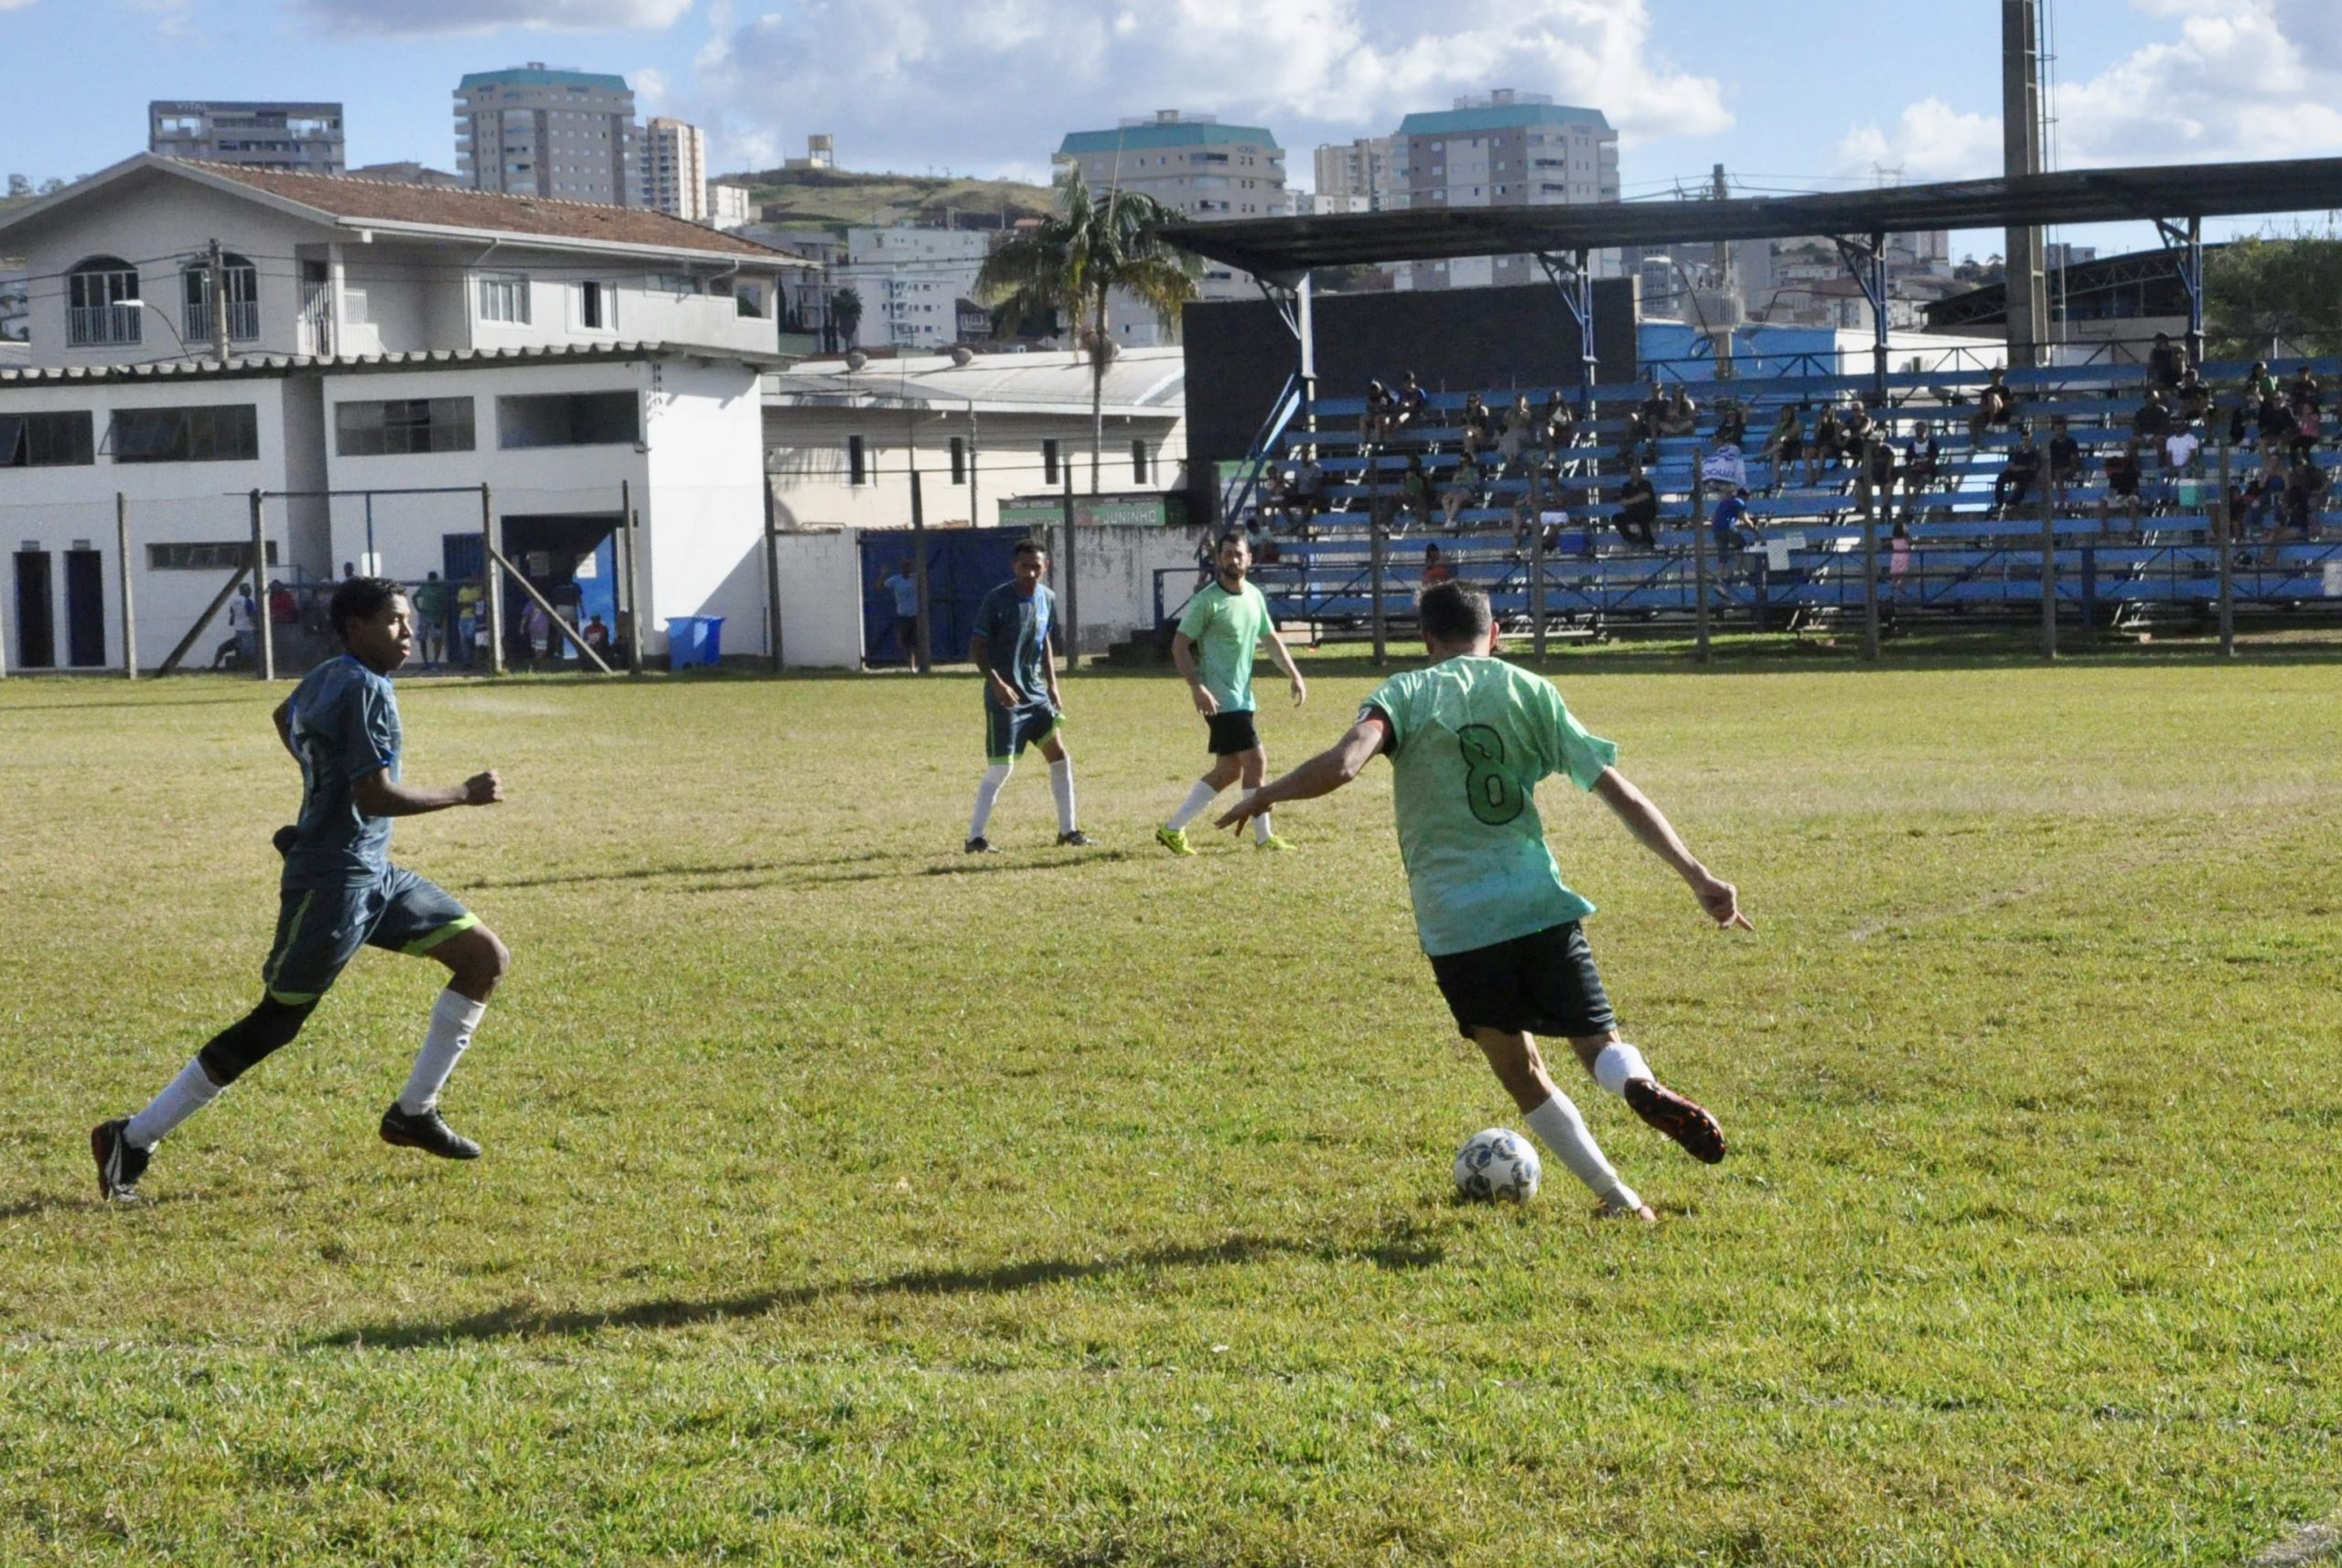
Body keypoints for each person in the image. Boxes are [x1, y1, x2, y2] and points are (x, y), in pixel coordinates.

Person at [1214, 581, 1746, 1221]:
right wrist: (1697, 874)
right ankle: (1634, 1081)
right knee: (1597, 1044)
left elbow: (1346, 764)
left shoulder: (1404, 693)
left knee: (1521, 1071)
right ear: (1495, 635)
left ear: (1427, 640)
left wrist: (1266, 794)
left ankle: (1621, 1199)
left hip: (1458, 921)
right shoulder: (1532, 691)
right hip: (1538, 904)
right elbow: (1620, 793)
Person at [91, 578, 510, 1203]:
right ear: (355, 628)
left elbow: (284, 718)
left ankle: (413, 1113)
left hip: (373, 873)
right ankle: (132, 1137)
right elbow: (374, 795)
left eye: (407, 620)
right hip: (334, 881)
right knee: (276, 1022)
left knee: (483, 957)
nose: (408, 631)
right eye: (393, 621)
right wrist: (463, 793)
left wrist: (321, 788)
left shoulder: (329, 675)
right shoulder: (364, 686)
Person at [1155, 532, 1307, 857]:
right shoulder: (1207, 601)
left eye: (1239, 554)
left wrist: (1294, 674)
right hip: (1221, 700)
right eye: (1227, 554)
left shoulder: (1254, 596)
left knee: (1228, 771)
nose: (1233, 560)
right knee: (1256, 760)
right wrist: (1197, 687)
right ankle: (1264, 838)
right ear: (1218, 559)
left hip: (1242, 698)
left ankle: (1173, 829)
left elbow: (1270, 639)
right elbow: (1179, 645)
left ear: (1249, 558)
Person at [965, 538, 1090, 853]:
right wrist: (997, 683)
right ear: (1014, 566)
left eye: (1036, 566)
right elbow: (977, 649)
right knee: (1002, 767)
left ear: (1046, 567)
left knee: (1060, 757)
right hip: (1006, 699)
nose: (1030, 573)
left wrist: (1052, 684)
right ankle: (975, 838)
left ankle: (1068, 831)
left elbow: (1044, 640)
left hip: (1037, 696)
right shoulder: (997, 600)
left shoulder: (1047, 597)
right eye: (1024, 566)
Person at [876, 558, 922, 669]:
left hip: (916, 614)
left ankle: (919, 664)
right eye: (904, 566)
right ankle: (910, 665)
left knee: (917, 641)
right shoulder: (895, 579)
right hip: (903, 614)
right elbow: (879, 587)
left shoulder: (916, 578)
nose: (907, 568)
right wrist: (883, 575)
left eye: (908, 566)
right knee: (905, 642)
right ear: (901, 568)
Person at [1993, 425, 2043, 515]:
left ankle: (2012, 503)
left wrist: (2022, 467)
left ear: (2030, 440)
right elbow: (2011, 466)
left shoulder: (2035, 453)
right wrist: (2023, 467)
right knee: (2001, 479)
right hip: (2016, 473)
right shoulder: (2016, 453)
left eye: (2027, 440)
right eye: (2023, 440)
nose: (2025, 442)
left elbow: (2033, 468)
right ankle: (1999, 503)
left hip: (2026, 475)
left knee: (2024, 482)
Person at [2100, 439, 2143, 533]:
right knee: (2103, 502)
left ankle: (2134, 530)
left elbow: (2135, 488)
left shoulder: (2131, 469)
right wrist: (2113, 498)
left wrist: (2128, 496)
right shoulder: (2113, 471)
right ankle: (2104, 530)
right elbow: (2112, 488)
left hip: (2131, 495)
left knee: (2132, 502)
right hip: (2118, 496)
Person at [1614, 460, 1659, 550]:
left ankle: (1648, 542)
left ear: (1640, 473)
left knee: (1642, 516)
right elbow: (1623, 500)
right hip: (1633, 512)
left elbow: (1645, 495)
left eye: (1635, 471)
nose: (1633, 474)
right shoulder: (1626, 485)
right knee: (1616, 518)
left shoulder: (1646, 484)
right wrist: (1623, 501)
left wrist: (1630, 501)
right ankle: (1632, 538)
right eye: (1632, 472)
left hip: (1647, 511)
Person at [1901, 422, 1940, 518]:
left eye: (1920, 429)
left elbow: (1932, 461)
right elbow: (1908, 461)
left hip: (1928, 472)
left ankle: (1906, 510)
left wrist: (1921, 466)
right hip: (1915, 472)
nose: (1918, 431)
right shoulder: (1912, 445)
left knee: (1920, 484)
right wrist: (1912, 467)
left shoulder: (1931, 444)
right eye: (1917, 429)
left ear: (1925, 429)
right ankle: (1907, 506)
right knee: (1906, 483)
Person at [1763, 405, 1804, 494]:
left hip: (1792, 447)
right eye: (1784, 412)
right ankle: (1778, 480)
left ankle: (1763, 456)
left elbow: (1790, 435)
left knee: (1780, 443)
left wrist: (1781, 438)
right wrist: (1767, 443)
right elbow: (1771, 436)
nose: (1786, 414)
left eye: (1788, 412)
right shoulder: (1779, 425)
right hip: (1780, 449)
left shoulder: (1797, 423)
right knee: (1776, 455)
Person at [1969, 366, 2015, 440]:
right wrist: (1991, 407)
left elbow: (2006, 405)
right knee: (1973, 419)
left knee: (1993, 397)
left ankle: (1991, 423)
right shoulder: (1986, 391)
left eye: (1997, 376)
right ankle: (1974, 442)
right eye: (1993, 376)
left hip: (2002, 415)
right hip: (1988, 415)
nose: (1995, 378)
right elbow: (1983, 406)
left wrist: (1994, 404)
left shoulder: (2006, 390)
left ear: (2001, 377)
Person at [412, 571, 448, 667]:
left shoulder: (441, 589)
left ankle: (436, 662)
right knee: (422, 639)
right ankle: (425, 662)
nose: (432, 581)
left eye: (433, 579)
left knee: (437, 639)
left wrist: (443, 615)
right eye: (430, 579)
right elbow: (414, 597)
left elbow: (445, 602)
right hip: (424, 617)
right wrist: (418, 609)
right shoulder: (424, 587)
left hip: (436, 617)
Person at [2046, 416, 2083, 509]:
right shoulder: (2052, 444)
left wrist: (2069, 468)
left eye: (2061, 429)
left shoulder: (2071, 443)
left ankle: (2062, 501)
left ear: (2065, 430)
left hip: (2069, 469)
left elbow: (2074, 460)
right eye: (2057, 430)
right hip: (2056, 470)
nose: (2059, 432)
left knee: (2058, 473)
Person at [455, 580, 482, 669]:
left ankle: (475, 660)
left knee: (471, 637)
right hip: (463, 618)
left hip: (474, 618)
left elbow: (479, 604)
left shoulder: (478, 590)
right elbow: (459, 606)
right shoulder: (462, 590)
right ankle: (467, 662)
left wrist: (467, 604)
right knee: (463, 640)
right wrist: (471, 604)